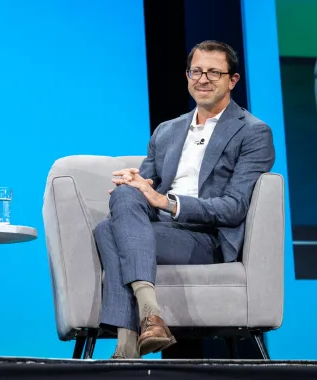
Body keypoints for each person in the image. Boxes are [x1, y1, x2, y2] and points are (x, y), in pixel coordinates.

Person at [98, 40, 275, 358]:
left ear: (232, 80)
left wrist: (167, 202)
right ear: (187, 75)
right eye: (196, 71)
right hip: (157, 230)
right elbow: (146, 186)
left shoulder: (253, 132)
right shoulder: (166, 130)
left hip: (205, 238)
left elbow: (234, 208)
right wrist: (136, 185)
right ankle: (150, 316)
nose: (203, 79)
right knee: (125, 194)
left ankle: (127, 344)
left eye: (213, 72)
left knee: (106, 231)